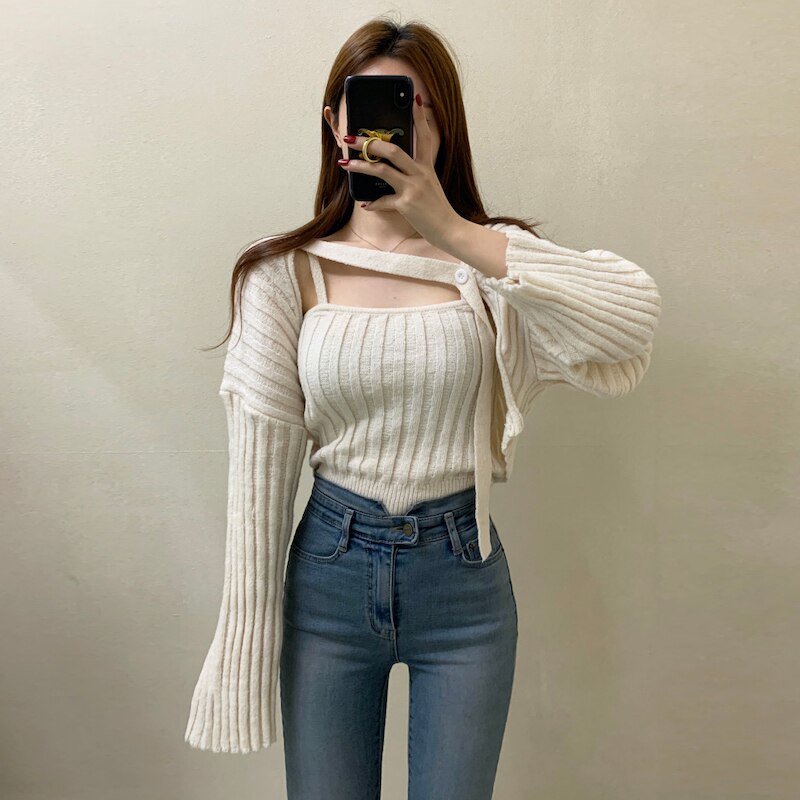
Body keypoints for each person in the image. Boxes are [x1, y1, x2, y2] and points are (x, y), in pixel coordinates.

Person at [183, 15, 662, 800]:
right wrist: (243, 647)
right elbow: (259, 476)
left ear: (443, 126)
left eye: (414, 107)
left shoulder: (491, 262)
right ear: (334, 123)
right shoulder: (284, 274)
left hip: (462, 580)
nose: (391, 129)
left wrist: (450, 229)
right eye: (367, 105)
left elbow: (632, 317)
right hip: (330, 574)